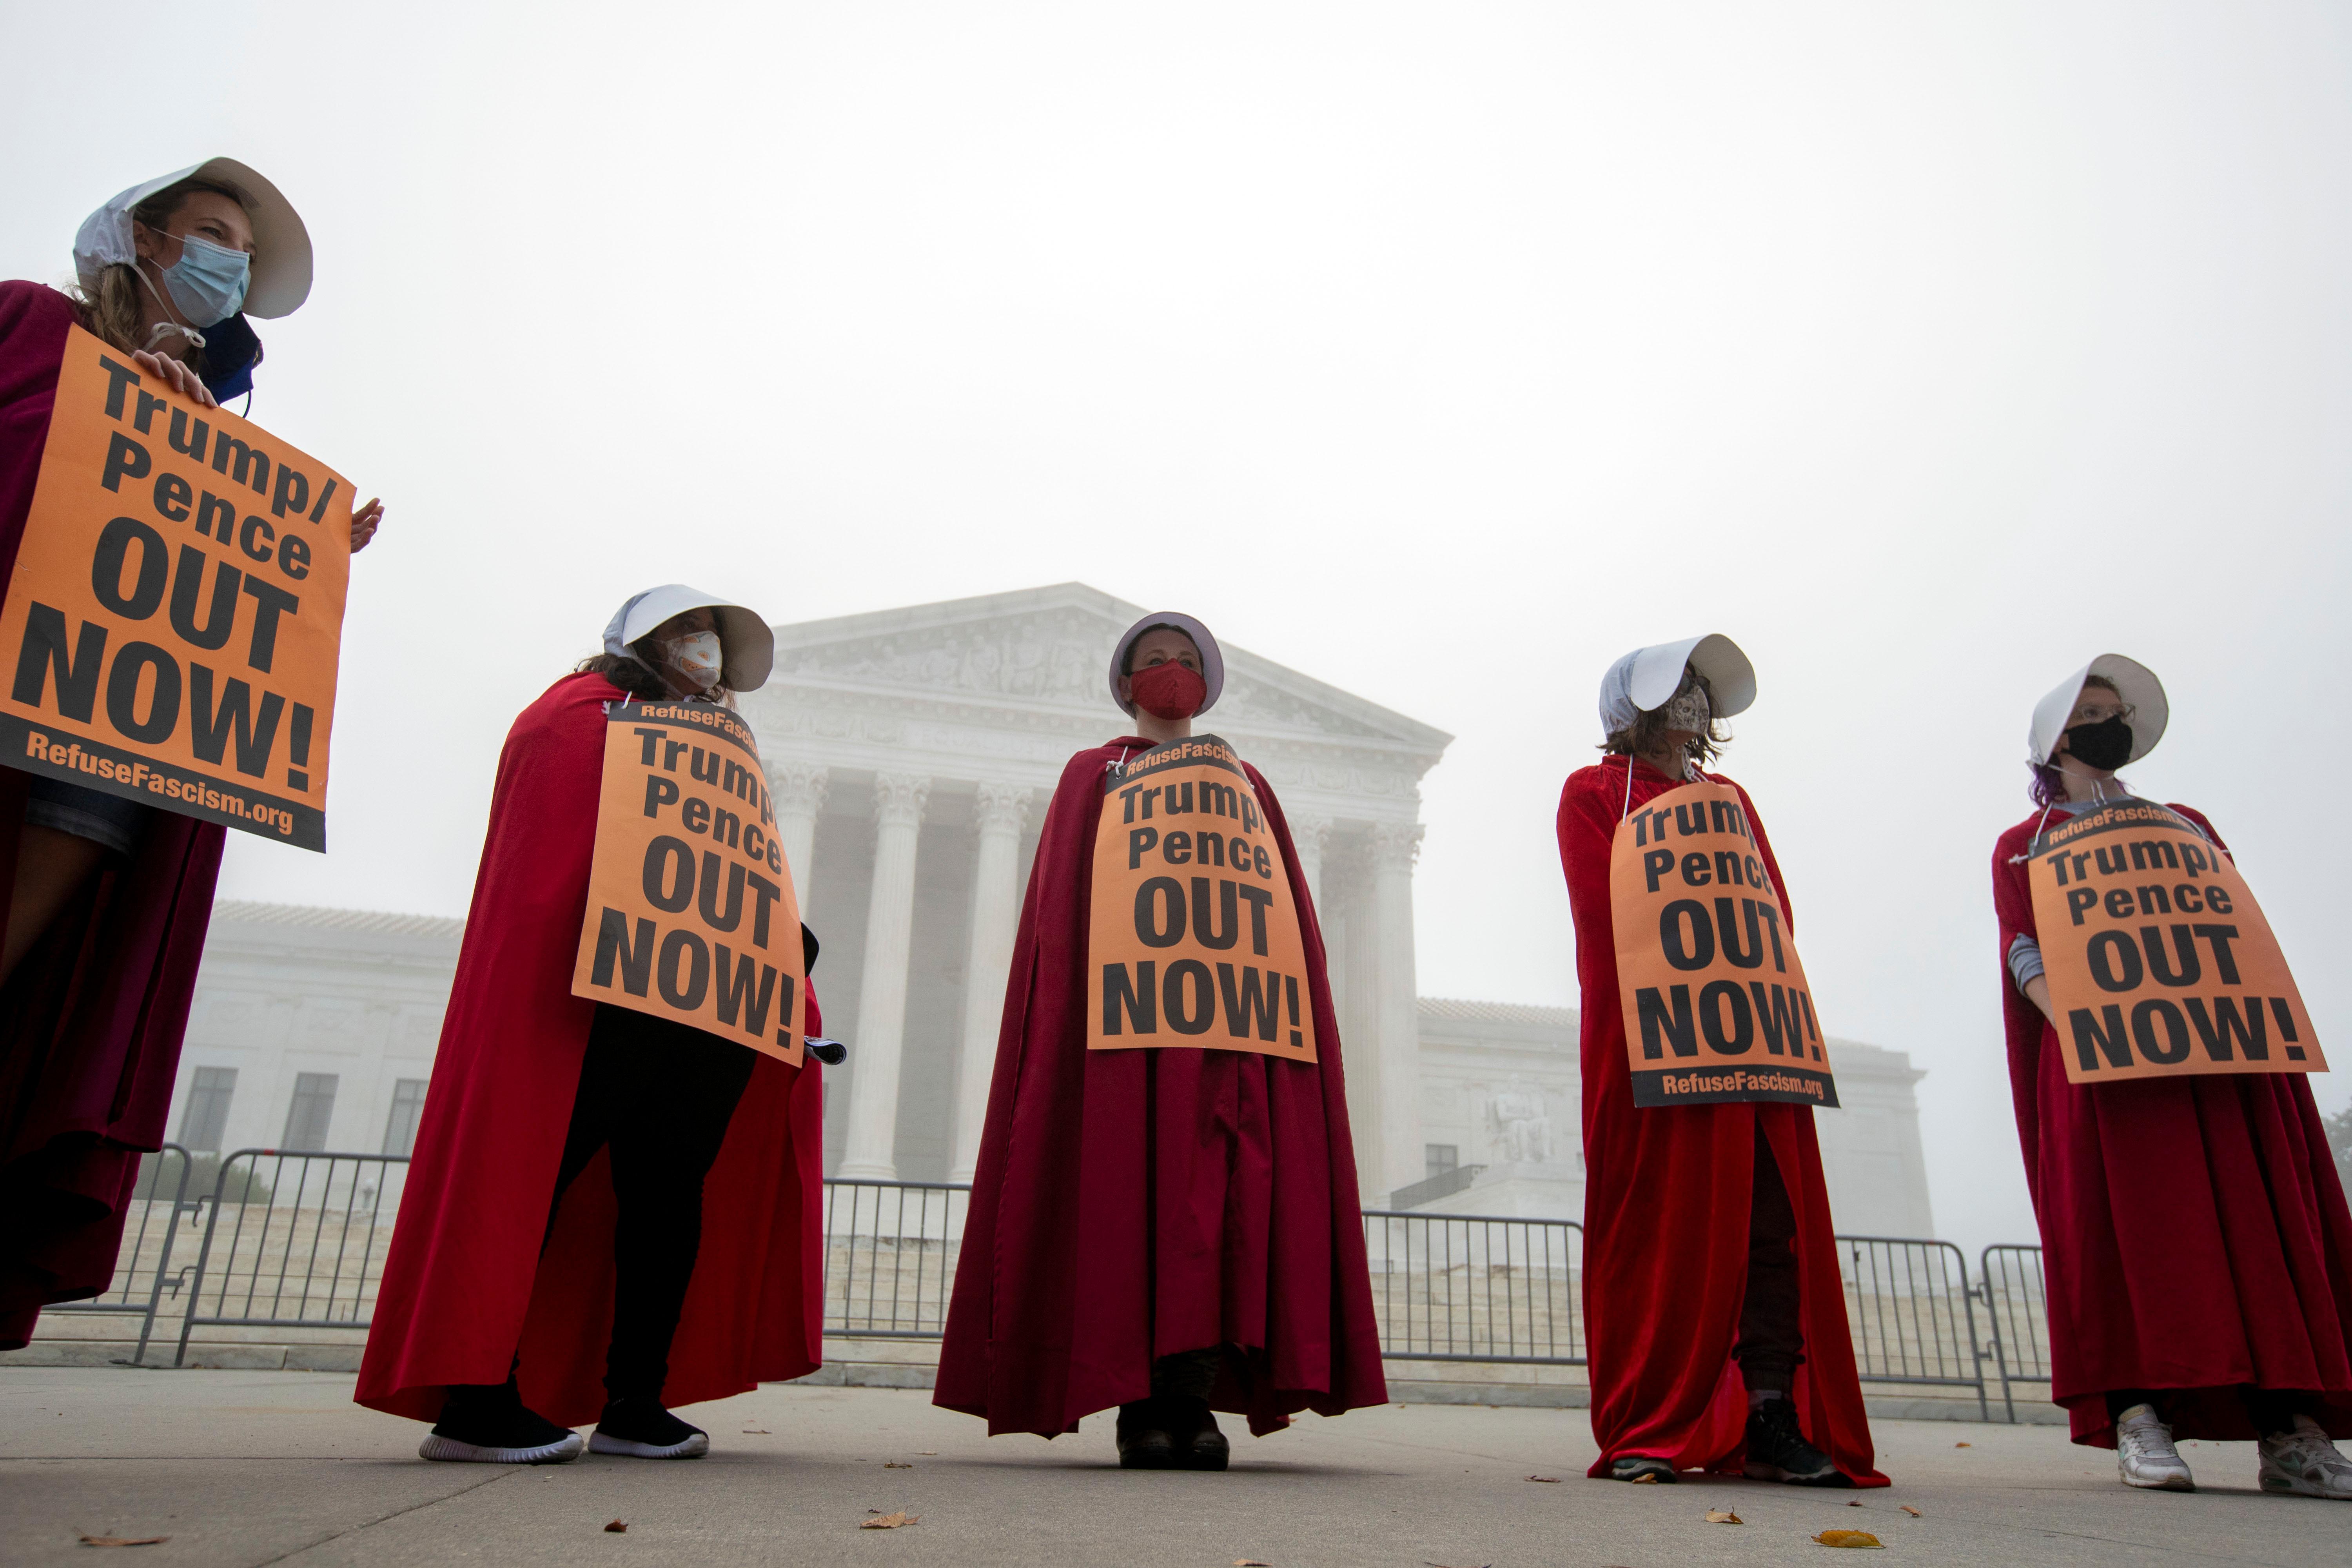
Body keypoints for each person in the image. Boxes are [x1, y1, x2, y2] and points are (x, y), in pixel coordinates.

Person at [0, 158, 381, 1349]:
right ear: (141, 240)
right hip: (20, 716)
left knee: (23, 998)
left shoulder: (207, 422)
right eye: (213, 234)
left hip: (107, 773)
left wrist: (303, 546)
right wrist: (102, 404)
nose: (230, 267)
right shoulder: (27, 322)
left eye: (242, 258)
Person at [356, 587, 825, 1464]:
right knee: (535, 1175)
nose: (705, 650)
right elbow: (550, 847)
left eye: (713, 639)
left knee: (667, 1192)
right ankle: (475, 1394)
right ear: (639, 642)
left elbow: (743, 861)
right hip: (601, 993)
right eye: (689, 632)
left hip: (705, 1004)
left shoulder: (727, 743)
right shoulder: (578, 715)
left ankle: (635, 1398)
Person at [935, 612, 1386, 1467]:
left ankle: (1193, 1403)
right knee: (1134, 1206)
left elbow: (1280, 908)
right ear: (1125, 680)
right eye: (1153, 661)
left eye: (1185, 660)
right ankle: (1144, 1409)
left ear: (1207, 682)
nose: (1170, 672)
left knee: (1214, 1214)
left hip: (1228, 1029)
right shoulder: (1095, 773)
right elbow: (1062, 914)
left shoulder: (1244, 779)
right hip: (1126, 1026)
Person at [1993, 655, 2352, 1497]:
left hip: (2214, 1059)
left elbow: (2230, 924)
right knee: (2120, 1236)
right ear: (2055, 737)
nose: (2108, 723)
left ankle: (2293, 1433)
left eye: (2118, 711)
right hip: (2105, 1070)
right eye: (2093, 711)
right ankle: (2138, 1415)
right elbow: (2023, 950)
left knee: (2255, 1228)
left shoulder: (2184, 822)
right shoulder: (2025, 844)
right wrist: (2082, 1020)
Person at [1555, 635, 1885, 1487]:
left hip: (1750, 1044)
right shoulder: (1592, 792)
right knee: (1657, 1227)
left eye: (1703, 688)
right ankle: (1647, 1420)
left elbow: (1770, 909)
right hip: (1652, 1046)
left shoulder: (1732, 798)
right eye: (1679, 686)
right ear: (1634, 707)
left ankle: (1772, 1407)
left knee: (1767, 1228)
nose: (1695, 701)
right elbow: (1603, 917)